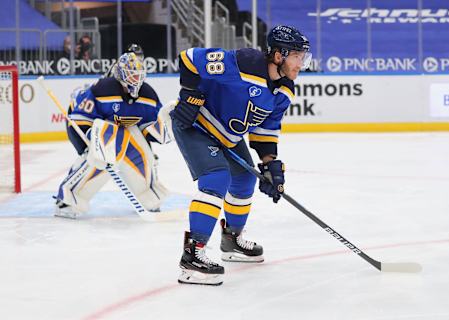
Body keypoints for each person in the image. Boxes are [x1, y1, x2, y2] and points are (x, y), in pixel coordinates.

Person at [170, 25, 311, 285]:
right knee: (216, 179)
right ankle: (192, 256)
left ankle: (231, 240)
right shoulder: (244, 63)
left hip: (228, 135)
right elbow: (189, 58)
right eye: (297, 56)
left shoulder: (285, 89)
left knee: (244, 180)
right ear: (279, 55)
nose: (302, 63)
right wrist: (191, 93)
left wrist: (270, 165)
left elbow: (265, 129)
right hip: (195, 125)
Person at [54, 52, 169, 219]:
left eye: (139, 74)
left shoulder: (148, 96)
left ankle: (148, 197)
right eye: (132, 74)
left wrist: (165, 128)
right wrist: (90, 147)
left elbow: (147, 130)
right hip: (92, 130)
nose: (136, 79)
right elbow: (80, 119)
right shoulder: (103, 89)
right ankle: (68, 200)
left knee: (144, 156)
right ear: (121, 74)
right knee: (99, 156)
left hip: (123, 133)